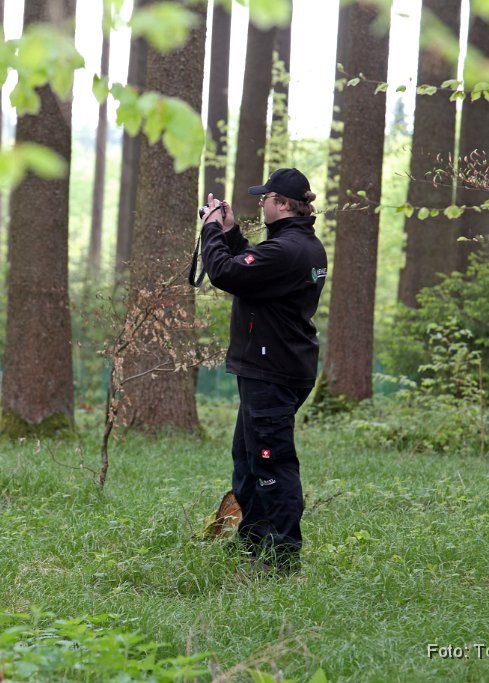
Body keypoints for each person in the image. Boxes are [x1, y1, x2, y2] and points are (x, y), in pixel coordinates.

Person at [198, 167, 328, 575]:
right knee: (248, 457)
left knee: (272, 462)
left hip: (274, 371)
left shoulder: (287, 250)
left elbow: (226, 272)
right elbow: (252, 272)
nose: (261, 201)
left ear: (283, 204)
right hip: (275, 367)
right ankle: (252, 542)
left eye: (266, 197)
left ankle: (282, 557)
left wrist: (211, 231)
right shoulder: (299, 246)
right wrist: (232, 233)